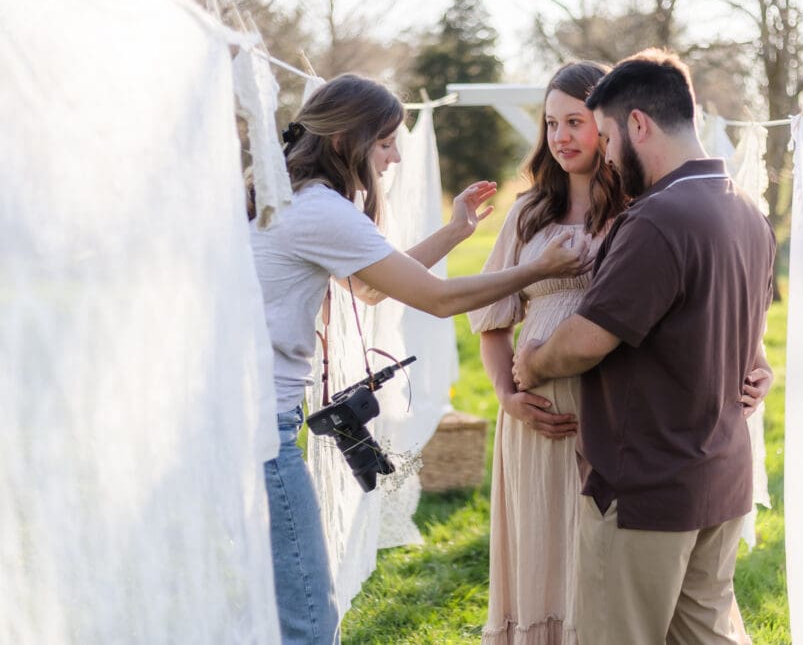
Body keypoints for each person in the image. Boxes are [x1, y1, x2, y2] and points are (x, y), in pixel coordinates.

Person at [248, 73, 590, 645]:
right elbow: (437, 300)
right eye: (385, 142)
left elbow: (372, 287)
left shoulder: (283, 193)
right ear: (344, 142)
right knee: (309, 618)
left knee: (282, 604)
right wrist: (539, 268)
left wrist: (456, 231)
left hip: (244, 418)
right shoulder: (317, 209)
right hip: (263, 427)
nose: (395, 157)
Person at [512, 49, 776, 645]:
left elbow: (585, 341)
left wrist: (532, 361)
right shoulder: (747, 212)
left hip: (646, 487)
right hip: (721, 476)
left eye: (605, 135)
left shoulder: (657, 219)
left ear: (638, 125)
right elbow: (745, 336)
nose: (605, 153)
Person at [468, 61, 626, 643]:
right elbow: (492, 322)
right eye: (551, 123)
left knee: (599, 553)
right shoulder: (528, 212)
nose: (560, 137)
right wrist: (506, 397)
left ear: (607, 124)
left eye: (575, 122)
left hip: (610, 410)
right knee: (541, 547)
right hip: (537, 422)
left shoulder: (637, 207)